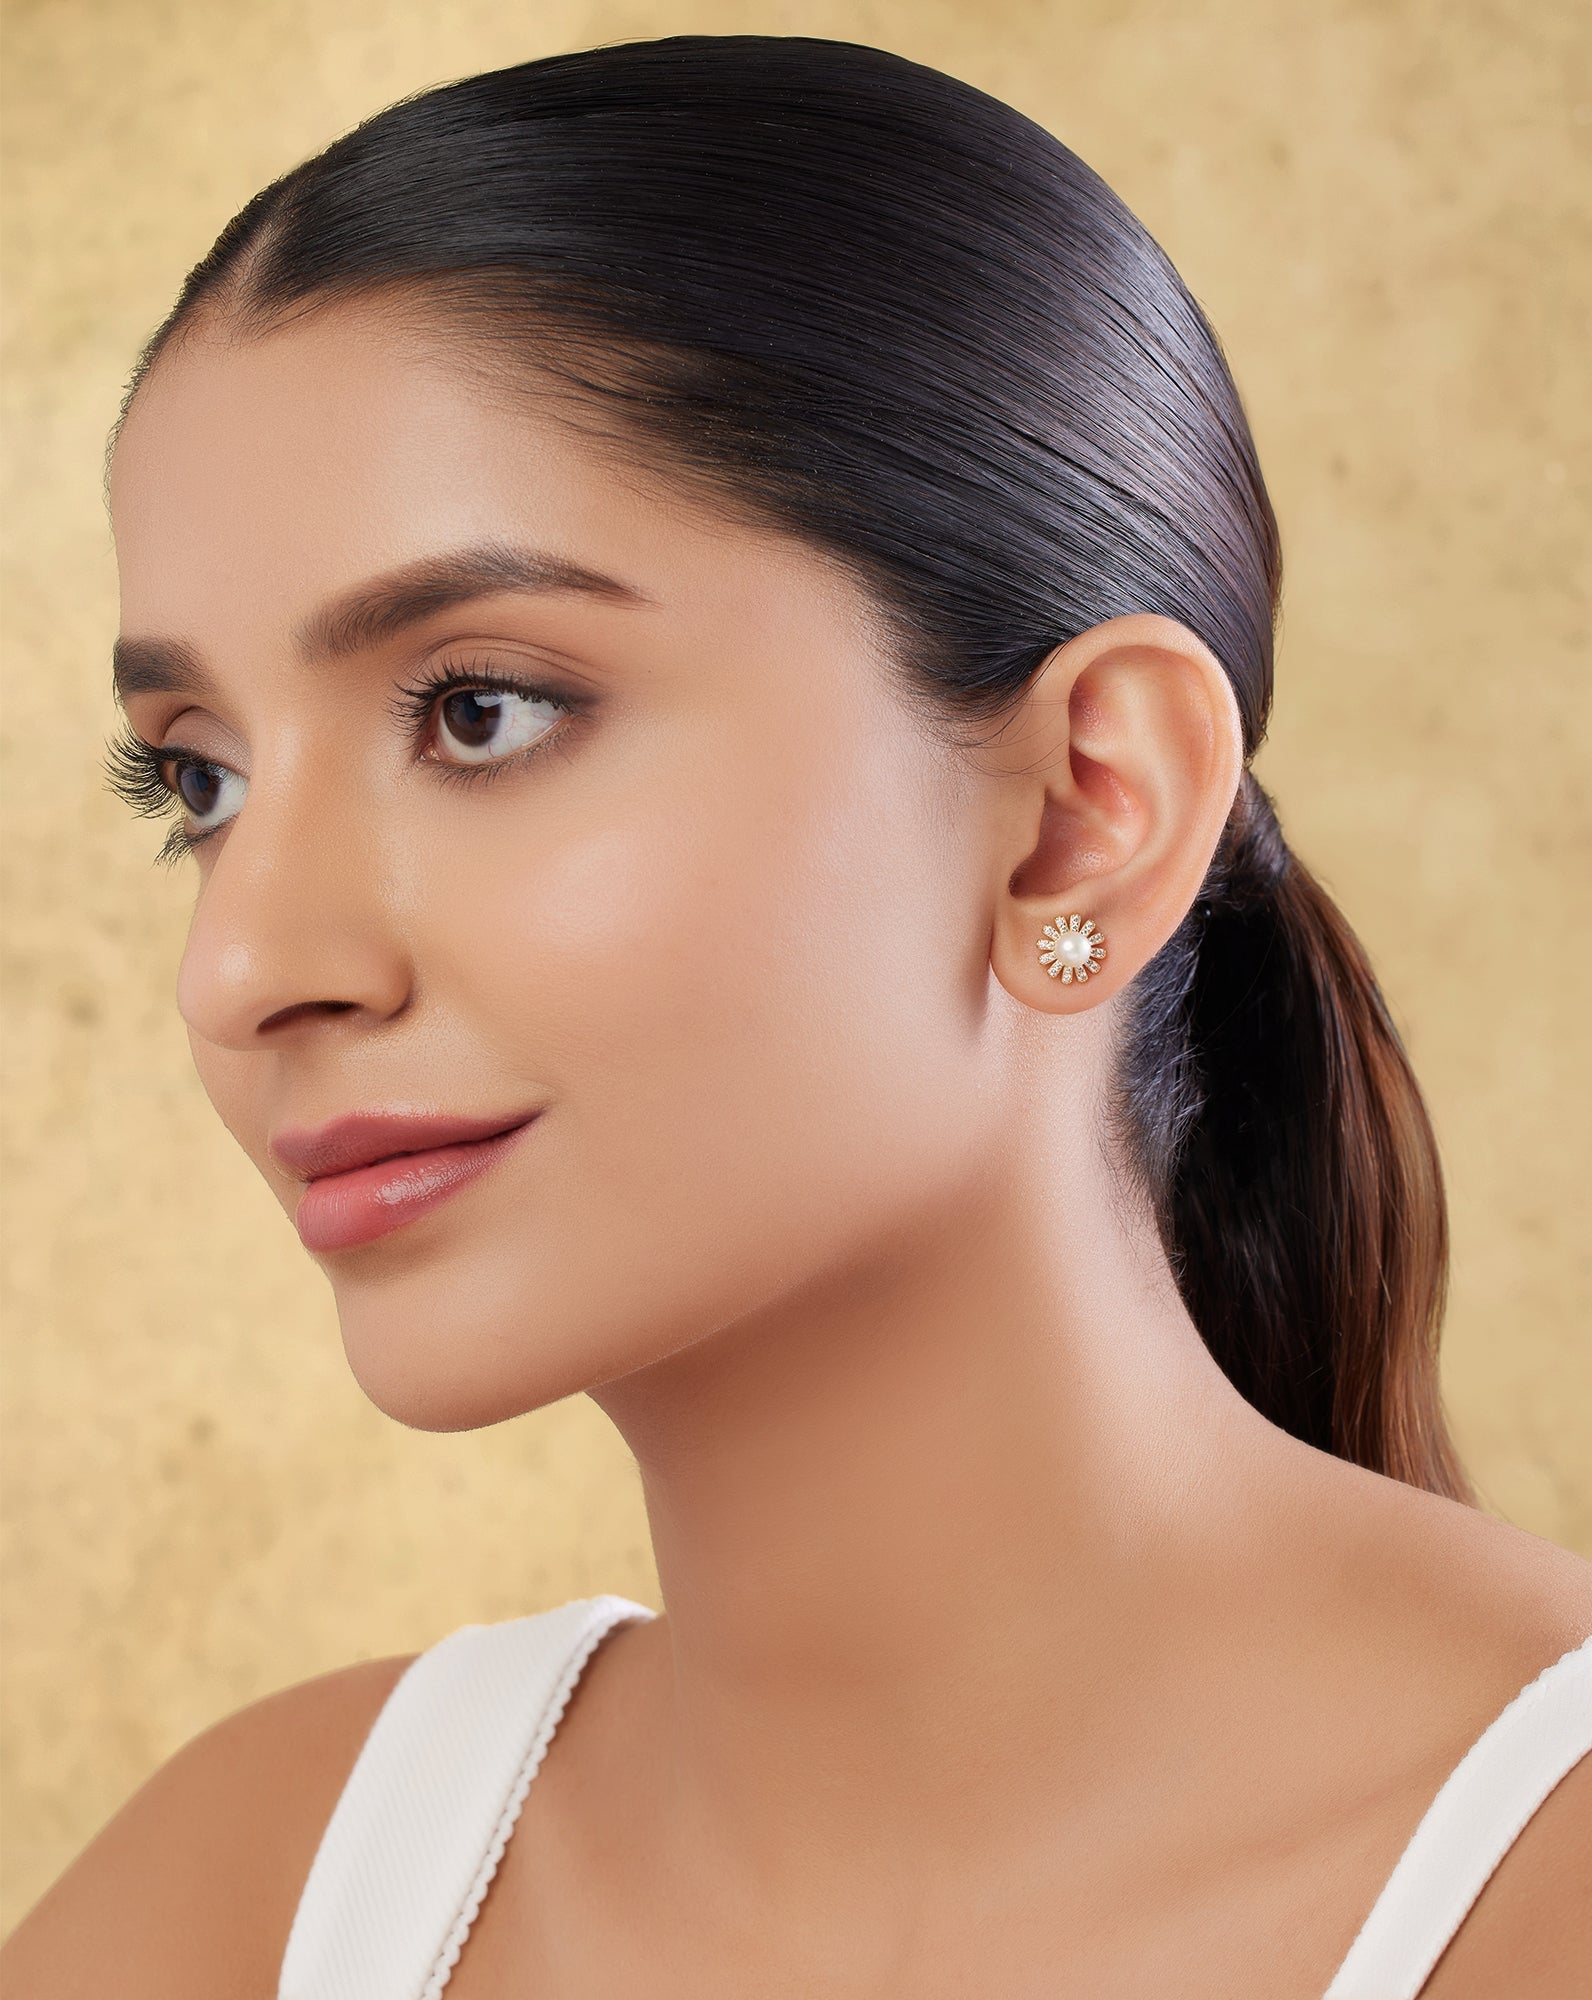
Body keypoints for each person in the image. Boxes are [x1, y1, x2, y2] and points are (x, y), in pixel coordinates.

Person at [4, 32, 1588, 1999]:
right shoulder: (249, 1899)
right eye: (200, 780)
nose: (242, 969)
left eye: (481, 712)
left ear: (1083, 809)